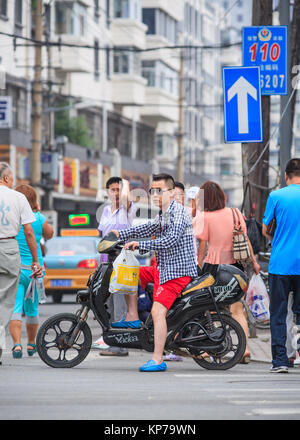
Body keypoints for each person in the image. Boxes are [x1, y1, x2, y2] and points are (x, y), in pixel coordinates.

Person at [111, 173, 198, 372]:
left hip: (177, 273)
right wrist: (121, 234)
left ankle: (158, 359)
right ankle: (132, 316)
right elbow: (150, 227)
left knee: (157, 312)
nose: (155, 195)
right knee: (131, 272)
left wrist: (139, 244)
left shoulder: (179, 213)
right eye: (152, 191)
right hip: (163, 269)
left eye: (160, 191)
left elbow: (170, 240)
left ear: (171, 192)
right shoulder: (165, 213)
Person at [194, 181, 260, 364]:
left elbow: (202, 247)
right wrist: (254, 262)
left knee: (209, 308)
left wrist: (197, 268)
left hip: (214, 267)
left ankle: (210, 348)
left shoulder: (204, 217)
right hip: (236, 266)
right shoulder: (235, 213)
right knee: (237, 309)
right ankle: (245, 350)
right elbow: (245, 239)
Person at [0, 163, 42, 365]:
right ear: (7, 178)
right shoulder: (18, 199)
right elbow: (29, 232)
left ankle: (10, 343)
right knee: (7, 303)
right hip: (10, 252)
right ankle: (10, 344)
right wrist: (35, 260)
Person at [262, 158, 300, 373]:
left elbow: (265, 229)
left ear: (286, 176)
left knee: (278, 313)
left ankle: (280, 361)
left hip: (280, 264)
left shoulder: (276, 196)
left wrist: (276, 238)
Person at [93, 177, 137, 356]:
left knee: (120, 304)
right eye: (113, 189)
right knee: (108, 304)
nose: (116, 193)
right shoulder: (104, 211)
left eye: (119, 189)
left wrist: (125, 183)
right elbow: (103, 236)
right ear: (107, 192)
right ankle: (111, 341)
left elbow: (126, 199)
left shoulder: (128, 209)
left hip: (122, 263)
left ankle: (121, 345)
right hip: (106, 262)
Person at [9, 184, 53, 358]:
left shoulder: (11, 219)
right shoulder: (38, 218)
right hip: (35, 271)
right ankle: (31, 344)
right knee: (32, 309)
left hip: (16, 269)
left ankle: (17, 345)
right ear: (34, 200)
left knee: (16, 308)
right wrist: (38, 213)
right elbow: (49, 234)